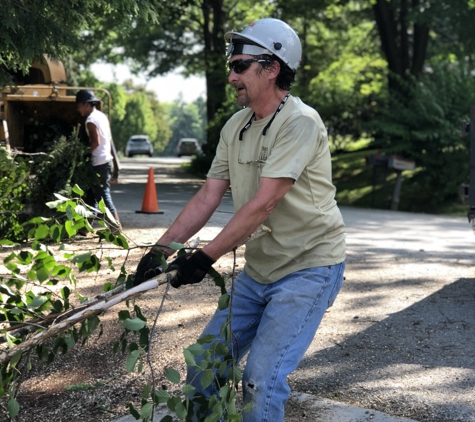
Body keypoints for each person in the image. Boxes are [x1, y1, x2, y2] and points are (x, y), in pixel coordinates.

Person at [133, 18, 346, 422]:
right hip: (260, 269)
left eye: (240, 66)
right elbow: (208, 195)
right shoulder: (236, 126)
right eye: (231, 66)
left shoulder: (299, 122)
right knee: (203, 366)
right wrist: (161, 250)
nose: (231, 76)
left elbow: (263, 204)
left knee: (260, 381)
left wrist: (203, 258)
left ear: (272, 67)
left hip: (308, 269)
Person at [76, 89, 121, 233]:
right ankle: (85, 228)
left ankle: (115, 227)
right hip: (105, 161)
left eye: (79, 106)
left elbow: (95, 142)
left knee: (102, 194)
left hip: (99, 163)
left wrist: (82, 152)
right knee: (90, 194)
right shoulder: (101, 116)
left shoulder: (90, 120)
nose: (78, 109)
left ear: (86, 104)